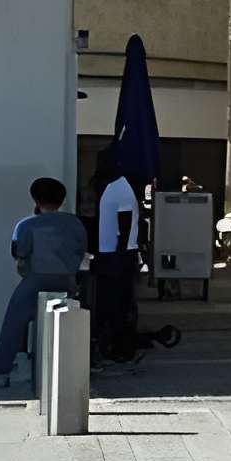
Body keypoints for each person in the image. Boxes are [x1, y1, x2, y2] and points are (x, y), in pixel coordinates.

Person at [0, 177, 89, 391]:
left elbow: (19, 253)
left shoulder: (26, 224)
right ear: (62, 200)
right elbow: (80, 250)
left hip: (36, 280)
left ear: (36, 199)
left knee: (14, 321)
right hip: (67, 282)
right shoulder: (75, 223)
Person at [90, 149, 143, 366]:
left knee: (116, 304)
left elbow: (124, 223)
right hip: (114, 255)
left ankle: (119, 347)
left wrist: (116, 260)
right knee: (113, 303)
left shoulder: (120, 189)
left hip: (118, 256)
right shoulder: (116, 187)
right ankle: (113, 344)